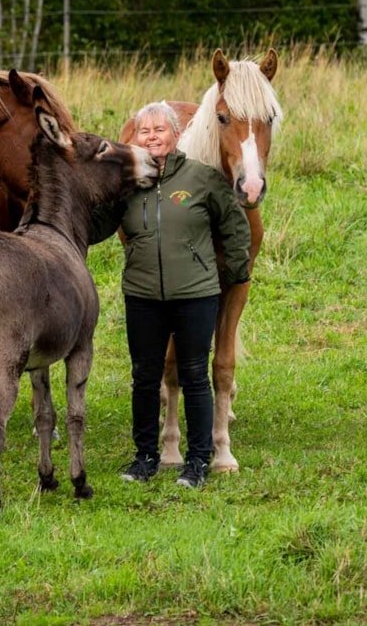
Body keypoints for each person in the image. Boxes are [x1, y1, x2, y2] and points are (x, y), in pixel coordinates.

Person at [108, 101, 251, 490]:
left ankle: (198, 460)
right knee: (144, 377)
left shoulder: (201, 178)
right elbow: (102, 220)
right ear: (136, 137)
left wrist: (236, 274)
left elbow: (237, 228)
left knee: (194, 376)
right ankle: (145, 457)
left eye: (160, 130)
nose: (152, 137)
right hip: (142, 294)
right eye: (145, 131)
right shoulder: (128, 181)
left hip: (194, 294)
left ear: (175, 135)